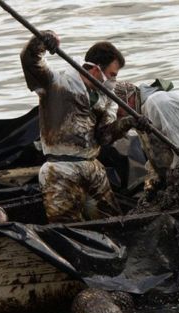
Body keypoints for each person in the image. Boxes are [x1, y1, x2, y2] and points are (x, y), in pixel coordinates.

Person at [21, 31, 141, 223]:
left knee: (112, 221)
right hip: (59, 168)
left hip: (92, 166)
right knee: (66, 226)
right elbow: (30, 60)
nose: (113, 81)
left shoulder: (106, 99)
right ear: (95, 70)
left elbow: (105, 137)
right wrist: (42, 41)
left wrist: (128, 123)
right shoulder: (56, 83)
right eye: (111, 75)